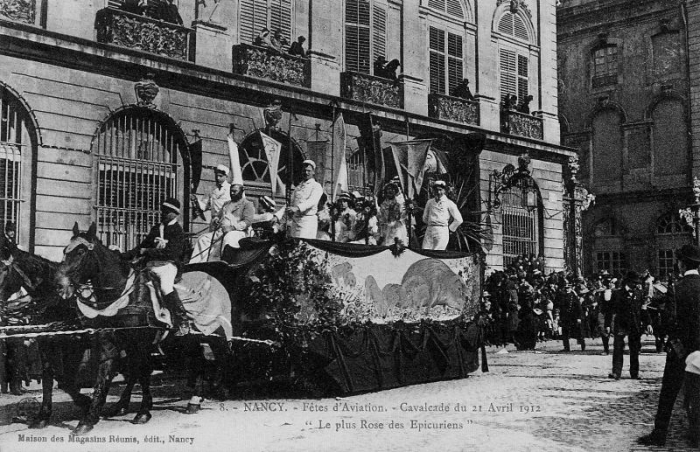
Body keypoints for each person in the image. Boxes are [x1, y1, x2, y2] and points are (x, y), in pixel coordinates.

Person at [638, 245, 700, 447]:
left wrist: (677, 345)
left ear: (681, 263)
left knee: (669, 394)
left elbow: (669, 322)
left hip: (680, 350)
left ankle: (660, 434)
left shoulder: (675, 287)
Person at [121, 198, 189, 335]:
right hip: (150, 266)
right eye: (163, 211)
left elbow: (172, 253)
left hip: (167, 266)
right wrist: (123, 256)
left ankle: (183, 321)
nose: (163, 214)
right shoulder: (156, 228)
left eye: (167, 212)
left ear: (175, 213)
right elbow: (142, 246)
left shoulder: (178, 231)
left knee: (165, 287)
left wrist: (148, 252)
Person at [189, 183, 255, 263]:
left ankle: (224, 263)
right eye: (231, 191)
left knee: (228, 238)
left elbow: (247, 221)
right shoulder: (227, 204)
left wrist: (232, 228)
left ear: (241, 192)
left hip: (239, 232)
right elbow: (218, 215)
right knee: (203, 239)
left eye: (235, 191)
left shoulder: (247, 204)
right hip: (222, 231)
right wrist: (216, 219)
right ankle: (196, 265)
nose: (232, 193)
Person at [606, 271, 651, 380]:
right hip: (621, 324)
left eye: (637, 283)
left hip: (634, 324)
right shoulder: (617, 294)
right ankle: (616, 372)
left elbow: (643, 310)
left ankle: (634, 373)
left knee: (634, 349)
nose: (636, 285)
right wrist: (607, 325)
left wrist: (648, 323)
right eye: (634, 282)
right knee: (618, 348)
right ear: (628, 282)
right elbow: (610, 310)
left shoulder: (639, 293)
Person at [282, 160, 324, 239]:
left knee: (303, 246)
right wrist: (277, 217)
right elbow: (290, 204)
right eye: (304, 170)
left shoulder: (316, 186)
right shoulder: (298, 187)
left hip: (307, 222)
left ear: (313, 172)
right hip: (296, 221)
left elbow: (312, 201)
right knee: (294, 246)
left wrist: (297, 208)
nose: (306, 173)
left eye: (309, 171)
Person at [421, 180, 463, 251]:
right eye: (436, 190)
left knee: (438, 253)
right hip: (429, 230)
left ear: (444, 191)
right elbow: (425, 217)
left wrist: (450, 228)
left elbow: (459, 219)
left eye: (440, 190)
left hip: (441, 232)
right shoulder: (430, 202)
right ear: (433, 190)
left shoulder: (449, 203)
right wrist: (431, 223)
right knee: (425, 251)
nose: (438, 192)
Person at [191, 164, 231, 230]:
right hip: (214, 222)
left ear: (226, 176)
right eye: (216, 176)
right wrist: (196, 199)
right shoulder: (211, 189)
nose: (218, 178)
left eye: (220, 176)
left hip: (226, 222)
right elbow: (204, 205)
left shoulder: (230, 189)